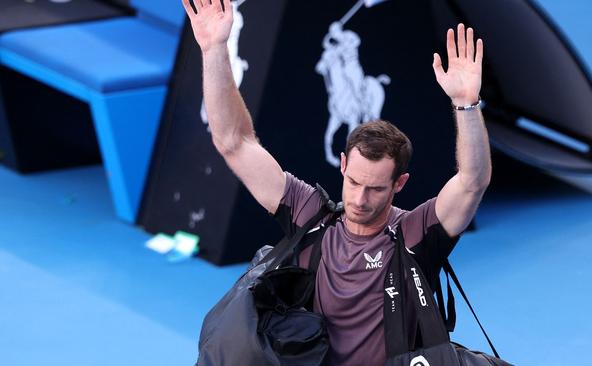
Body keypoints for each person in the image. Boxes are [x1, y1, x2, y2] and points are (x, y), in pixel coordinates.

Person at [182, 0, 491, 364]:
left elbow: (472, 181)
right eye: (355, 182)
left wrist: (466, 105)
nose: (360, 199)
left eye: (376, 189)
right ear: (342, 165)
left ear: (400, 183)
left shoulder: (414, 234)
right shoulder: (309, 214)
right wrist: (215, 49)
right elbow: (234, 142)